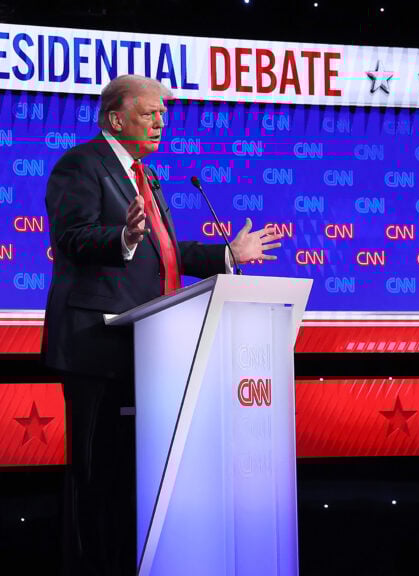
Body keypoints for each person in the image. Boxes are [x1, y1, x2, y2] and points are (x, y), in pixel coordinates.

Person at [42, 74, 281, 575]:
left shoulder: (145, 176)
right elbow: (73, 238)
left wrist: (226, 254)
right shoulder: (81, 165)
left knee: (129, 478)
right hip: (96, 348)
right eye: (150, 112)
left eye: (162, 113)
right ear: (116, 118)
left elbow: (167, 253)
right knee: (93, 476)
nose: (161, 121)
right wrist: (122, 237)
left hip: (145, 351)